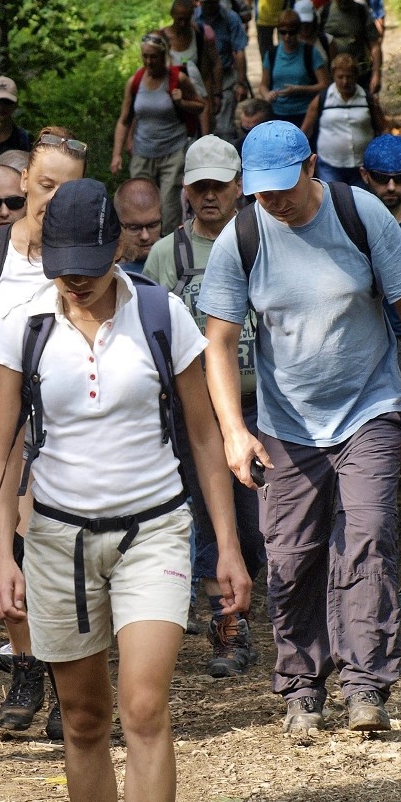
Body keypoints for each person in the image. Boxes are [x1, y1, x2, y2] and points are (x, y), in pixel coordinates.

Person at [0, 179, 249, 802]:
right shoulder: (22, 326)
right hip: (60, 539)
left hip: (154, 530)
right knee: (84, 717)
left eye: (89, 263)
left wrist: (226, 546)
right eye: (63, 263)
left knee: (142, 705)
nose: (75, 278)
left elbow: (206, 439)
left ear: (115, 249)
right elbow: (1, 455)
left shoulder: (161, 314)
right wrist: (1, 552)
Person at [199, 120, 401, 735]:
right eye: (261, 191)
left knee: (368, 537)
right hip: (286, 421)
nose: (275, 201)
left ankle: (366, 684)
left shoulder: (361, 215)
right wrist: (236, 432)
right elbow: (219, 342)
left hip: (369, 407)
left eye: (284, 187)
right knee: (290, 556)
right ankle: (301, 684)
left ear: (312, 166)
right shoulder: (242, 236)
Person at [0, 128, 86, 738]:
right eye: (44, 185)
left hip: (73, 426)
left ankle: (71, 678)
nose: (51, 199)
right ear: (24, 183)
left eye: (68, 187)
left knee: (61, 544)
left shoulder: (87, 254)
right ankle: (27, 662)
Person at [144, 137, 262, 676]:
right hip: (196, 409)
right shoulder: (169, 253)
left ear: (240, 184)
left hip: (264, 402)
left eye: (219, 185)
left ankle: (273, 609)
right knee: (210, 518)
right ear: (186, 190)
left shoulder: (263, 237)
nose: (210, 196)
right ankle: (228, 628)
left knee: (262, 522)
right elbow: (150, 326)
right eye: (200, 187)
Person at [359, 134, 401, 625]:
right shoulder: (354, 224)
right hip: (370, 359)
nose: (393, 188)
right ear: (365, 176)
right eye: (384, 179)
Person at [110, 32, 204, 233]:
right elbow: (124, 119)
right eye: (145, 56)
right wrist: (116, 154)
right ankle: (143, 249)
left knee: (169, 206)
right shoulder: (135, 82)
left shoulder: (178, 79)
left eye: (153, 56)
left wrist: (182, 101)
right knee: (140, 204)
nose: (148, 61)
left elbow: (200, 106)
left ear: (164, 55)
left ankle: (169, 249)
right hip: (142, 153)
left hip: (173, 152)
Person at [301, 54, 386, 186]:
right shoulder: (322, 100)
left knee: (360, 202)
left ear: (356, 76)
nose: (345, 81)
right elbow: (305, 131)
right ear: (333, 76)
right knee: (334, 201)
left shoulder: (368, 99)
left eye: (349, 76)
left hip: (362, 166)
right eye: (340, 77)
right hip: (329, 165)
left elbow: (383, 128)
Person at [194, 0, 249, 142]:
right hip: (199, 78)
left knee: (224, 129)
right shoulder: (192, 19)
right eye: (205, 1)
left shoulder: (230, 18)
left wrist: (240, 82)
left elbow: (239, 50)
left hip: (225, 77)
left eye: (212, 1)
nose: (209, 5)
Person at [162, 0, 222, 135]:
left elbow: (207, 73)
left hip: (197, 99)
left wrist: (214, 98)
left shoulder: (200, 36)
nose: (182, 23)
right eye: (179, 19)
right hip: (171, 102)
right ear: (172, 15)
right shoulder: (162, 38)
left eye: (186, 19)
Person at [258, 9, 328, 127]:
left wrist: (300, 89)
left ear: (299, 31)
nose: (287, 37)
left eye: (291, 32)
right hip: (277, 114)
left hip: (305, 114)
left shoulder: (310, 52)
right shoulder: (272, 53)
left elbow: (324, 84)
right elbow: (263, 85)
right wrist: (267, 95)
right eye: (283, 32)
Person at [322, 0, 382, 93]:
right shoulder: (325, 12)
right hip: (333, 74)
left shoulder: (361, 11)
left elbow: (374, 44)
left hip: (360, 72)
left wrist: (376, 73)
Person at [112, 178, 163, 274]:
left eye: (153, 225)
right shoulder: (105, 269)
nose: (145, 236)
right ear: (117, 225)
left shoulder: (177, 258)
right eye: (134, 228)